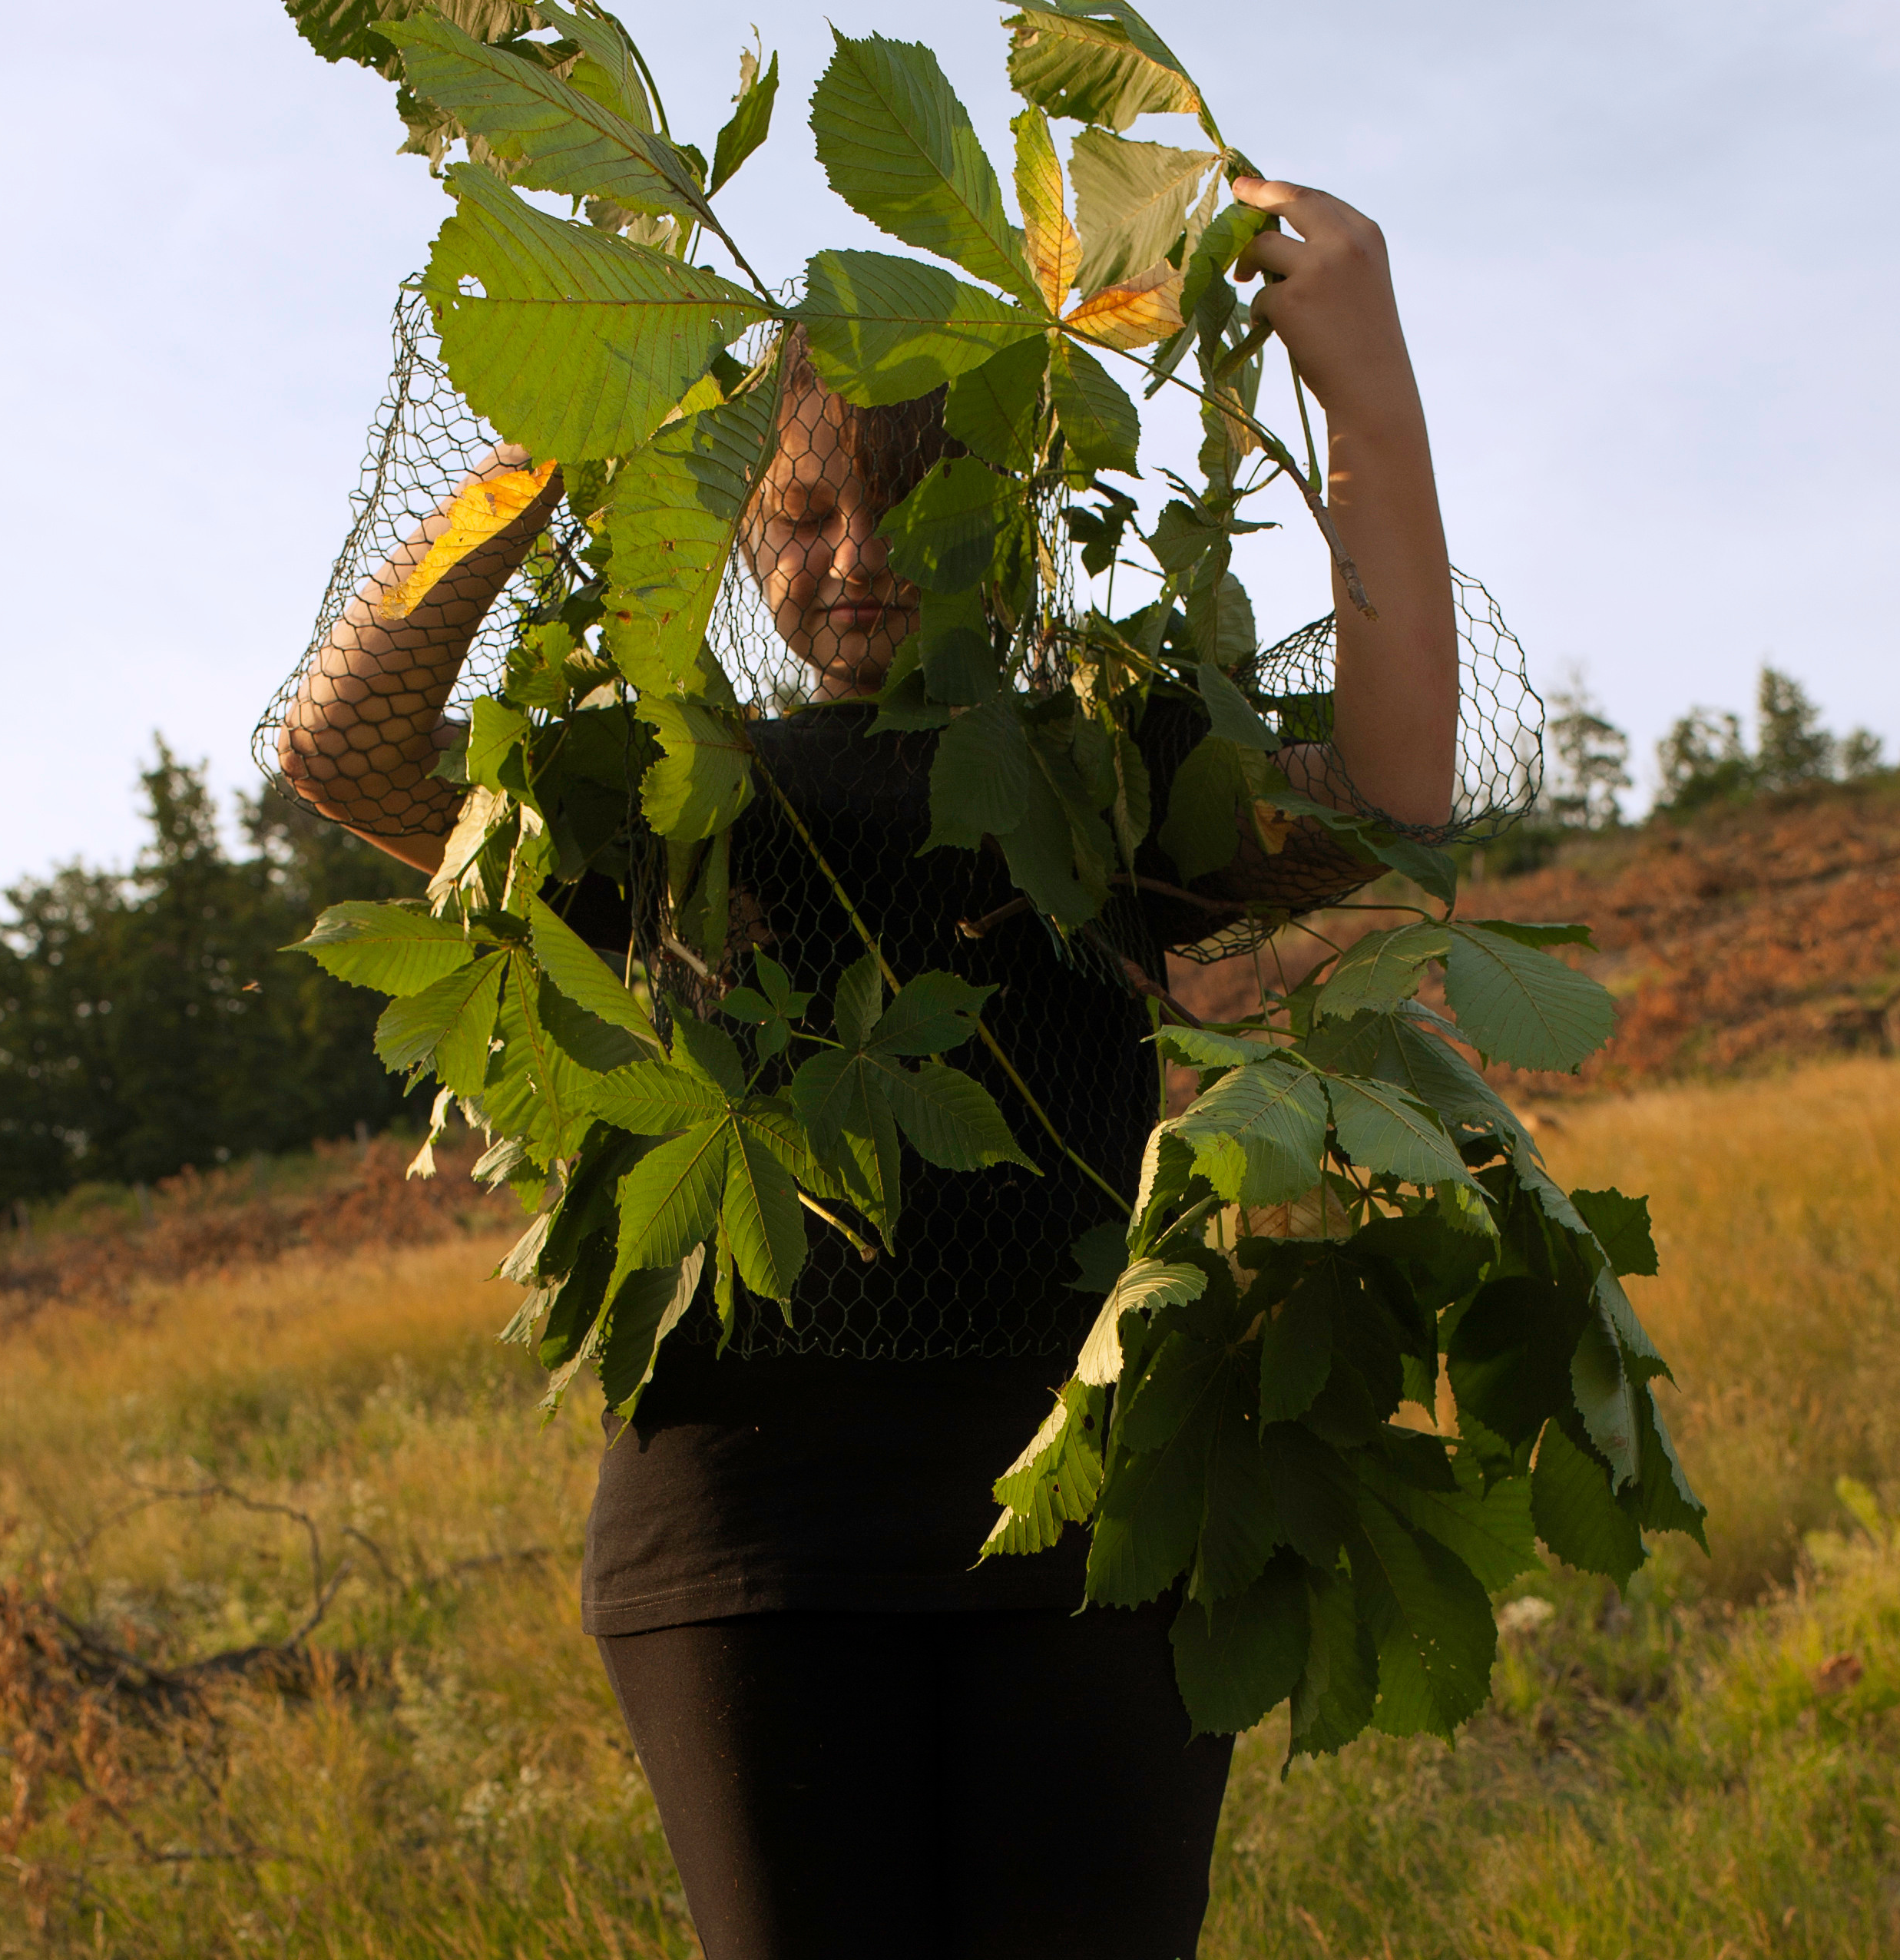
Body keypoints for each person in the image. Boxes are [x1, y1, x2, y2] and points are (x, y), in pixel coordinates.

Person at [279, 179, 1459, 1958]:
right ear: (738, 528)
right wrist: (541, 444)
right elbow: (346, 756)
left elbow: (1384, 803)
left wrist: (1366, 408)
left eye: (916, 499)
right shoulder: (666, 785)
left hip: (1091, 1511)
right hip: (745, 1530)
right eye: (800, 510)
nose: (853, 561)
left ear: (1021, 500)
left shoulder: (1094, 762)